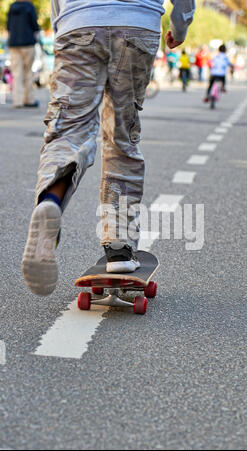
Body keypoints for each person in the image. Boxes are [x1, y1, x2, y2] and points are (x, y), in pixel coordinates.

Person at [22, 0, 195, 296]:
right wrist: (180, 26)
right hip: (137, 24)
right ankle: (119, 248)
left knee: (68, 130)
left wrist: (63, 24)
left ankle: (51, 198)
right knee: (121, 137)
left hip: (78, 21)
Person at [7, 0, 40, 108]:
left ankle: (17, 101)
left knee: (17, 73)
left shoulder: (12, 7)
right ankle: (29, 99)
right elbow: (34, 25)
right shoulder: (29, 6)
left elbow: (8, 26)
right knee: (28, 72)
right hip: (28, 43)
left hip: (14, 44)